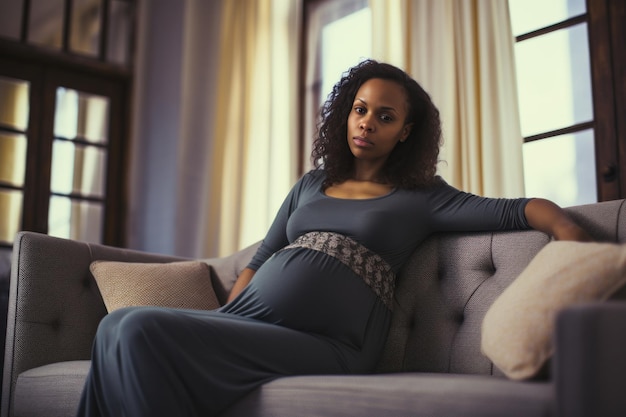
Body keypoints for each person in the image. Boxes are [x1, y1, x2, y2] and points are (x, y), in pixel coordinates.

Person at [76, 59, 590, 416]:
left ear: (405, 131)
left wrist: (567, 233)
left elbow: (515, 209)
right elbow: (263, 257)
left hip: (329, 344)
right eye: (360, 109)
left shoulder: (421, 196)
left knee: (139, 330)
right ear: (347, 111)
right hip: (249, 324)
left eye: (385, 116)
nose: (367, 123)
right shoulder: (311, 184)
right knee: (115, 326)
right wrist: (223, 321)